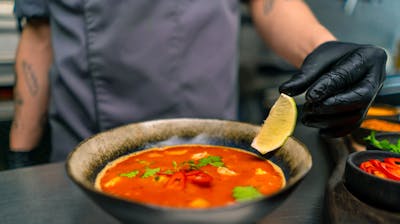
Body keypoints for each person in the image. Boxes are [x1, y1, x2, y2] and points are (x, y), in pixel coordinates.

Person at [8, 0, 387, 169]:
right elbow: (39, 36)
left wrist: (325, 50)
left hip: (216, 149)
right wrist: (20, 156)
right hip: (84, 148)